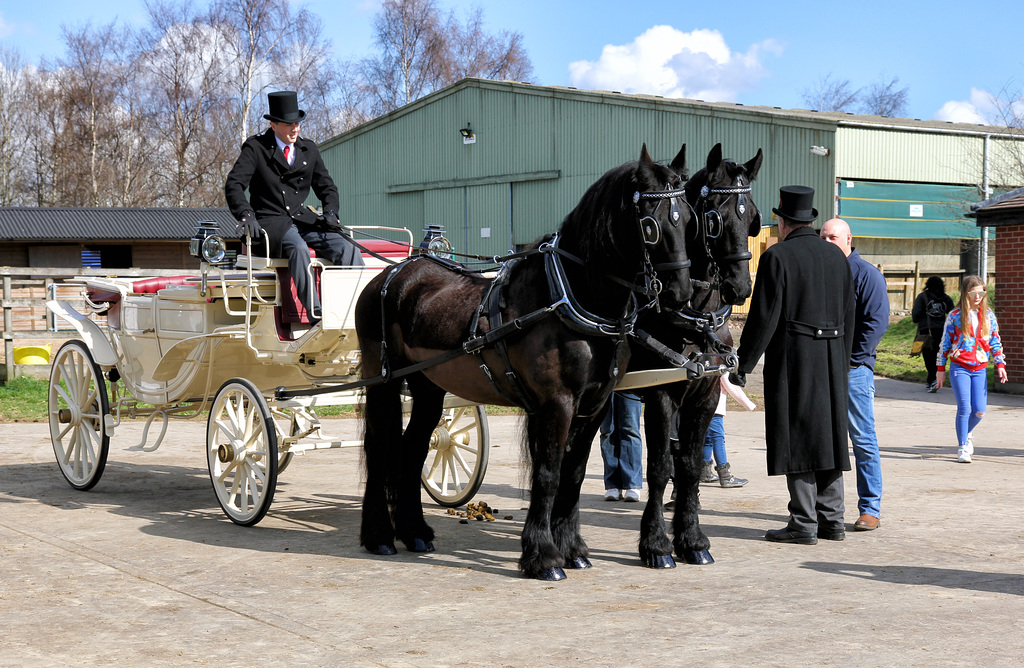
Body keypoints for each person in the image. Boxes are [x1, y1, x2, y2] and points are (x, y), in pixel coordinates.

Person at [730, 186, 855, 545]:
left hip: (795, 357)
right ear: (810, 221)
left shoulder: (778, 257)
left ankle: (803, 522)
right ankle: (833, 520)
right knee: (829, 435)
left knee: (797, 434)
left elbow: (763, 320)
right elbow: (850, 315)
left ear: (783, 222)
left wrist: (743, 366)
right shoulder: (837, 258)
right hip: (832, 358)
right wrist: (841, 361)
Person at [225, 90, 363, 322]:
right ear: (273, 124)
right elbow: (234, 185)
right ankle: (316, 312)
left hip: (302, 218)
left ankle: (356, 310)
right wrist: (246, 216)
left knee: (348, 248)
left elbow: (327, 187)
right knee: (298, 248)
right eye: (289, 124)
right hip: (270, 221)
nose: (295, 129)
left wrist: (330, 212)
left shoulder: (309, 149)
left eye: (297, 123)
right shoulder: (256, 148)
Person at [820, 218, 889, 533]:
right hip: (821, 370)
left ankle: (870, 508)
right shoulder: (820, 272)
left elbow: (876, 323)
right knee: (824, 440)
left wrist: (852, 361)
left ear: (849, 239)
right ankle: (826, 509)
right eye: (822, 236)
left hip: (853, 372)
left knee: (861, 438)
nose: (827, 241)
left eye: (833, 236)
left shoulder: (867, 275)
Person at [936, 275, 1007, 463]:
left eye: (981, 292)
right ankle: (962, 447)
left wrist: (1000, 364)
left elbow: (995, 341)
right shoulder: (955, 316)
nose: (977, 296)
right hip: (960, 366)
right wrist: (940, 368)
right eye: (973, 293)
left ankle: (967, 433)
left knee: (980, 410)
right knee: (965, 408)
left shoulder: (989, 316)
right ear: (965, 294)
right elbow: (945, 343)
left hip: (980, 368)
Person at [700, 375, 755, 488]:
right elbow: (730, 384)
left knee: (708, 438)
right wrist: (748, 404)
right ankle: (725, 476)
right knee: (718, 438)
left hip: (702, 405)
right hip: (714, 406)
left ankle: (705, 472)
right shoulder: (720, 361)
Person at [912, 276, 955, 392]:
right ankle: (932, 379)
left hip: (926, 331)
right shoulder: (946, 299)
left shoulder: (922, 297)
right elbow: (953, 315)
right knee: (940, 356)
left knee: (928, 357)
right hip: (943, 332)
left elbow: (915, 316)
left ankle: (932, 380)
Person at [599, 392, 643, 501]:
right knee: (607, 431)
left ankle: (632, 484)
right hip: (607, 382)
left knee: (630, 429)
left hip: (631, 381)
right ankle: (612, 484)